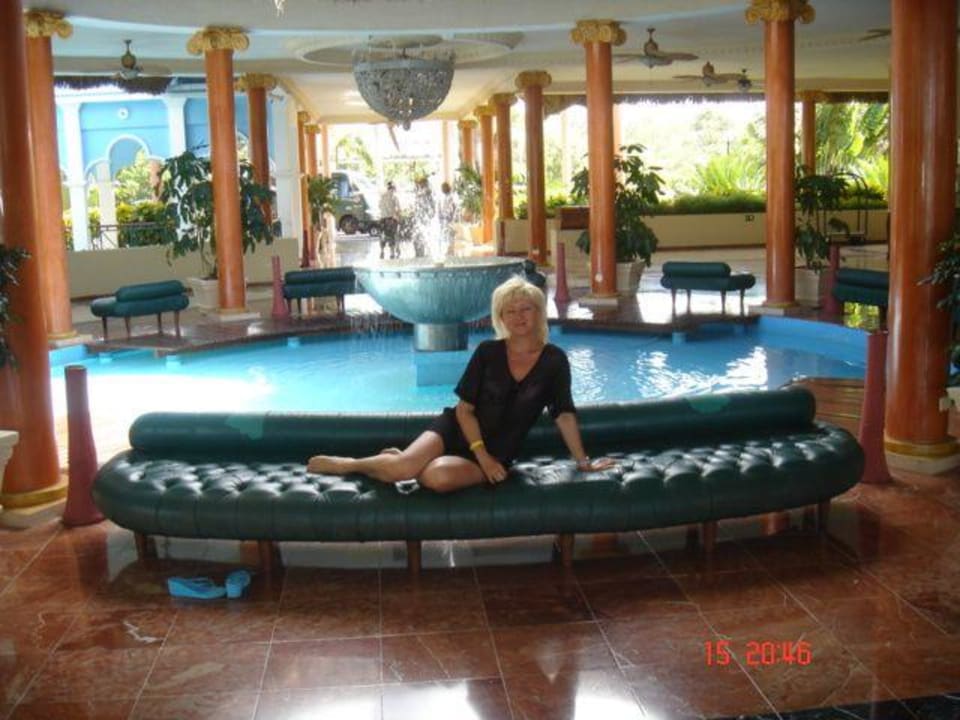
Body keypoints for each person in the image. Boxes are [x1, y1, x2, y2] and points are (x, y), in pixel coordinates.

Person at [307, 276, 615, 493]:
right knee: (403, 471)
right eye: (510, 310)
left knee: (436, 479)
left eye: (526, 308)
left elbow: (564, 414)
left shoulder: (554, 360)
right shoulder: (488, 352)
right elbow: (464, 410)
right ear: (501, 317)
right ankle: (352, 465)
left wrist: (583, 462)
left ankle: (398, 459)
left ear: (538, 312)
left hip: (498, 451)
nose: (519, 316)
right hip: (456, 430)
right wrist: (481, 456)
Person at [412, 176, 435, 258]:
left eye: (421, 183)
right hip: (421, 217)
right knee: (420, 234)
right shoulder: (423, 191)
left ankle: (422, 251)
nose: (420, 185)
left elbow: (431, 205)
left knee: (422, 234)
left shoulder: (426, 191)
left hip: (424, 217)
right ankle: (420, 251)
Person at [378, 181, 401, 259]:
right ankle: (392, 253)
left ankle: (382, 251)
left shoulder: (382, 196)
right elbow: (398, 209)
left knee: (382, 235)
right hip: (391, 219)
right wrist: (398, 216)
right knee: (392, 235)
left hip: (382, 219)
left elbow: (379, 206)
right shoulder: (394, 196)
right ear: (393, 188)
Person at [437, 181, 458, 256]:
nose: (442, 189)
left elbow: (454, 207)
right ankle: (447, 250)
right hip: (444, 219)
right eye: (442, 188)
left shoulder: (451, 196)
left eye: (443, 188)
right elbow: (439, 207)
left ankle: (450, 250)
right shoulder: (442, 196)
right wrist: (440, 216)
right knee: (445, 235)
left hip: (449, 219)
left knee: (450, 235)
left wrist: (452, 217)